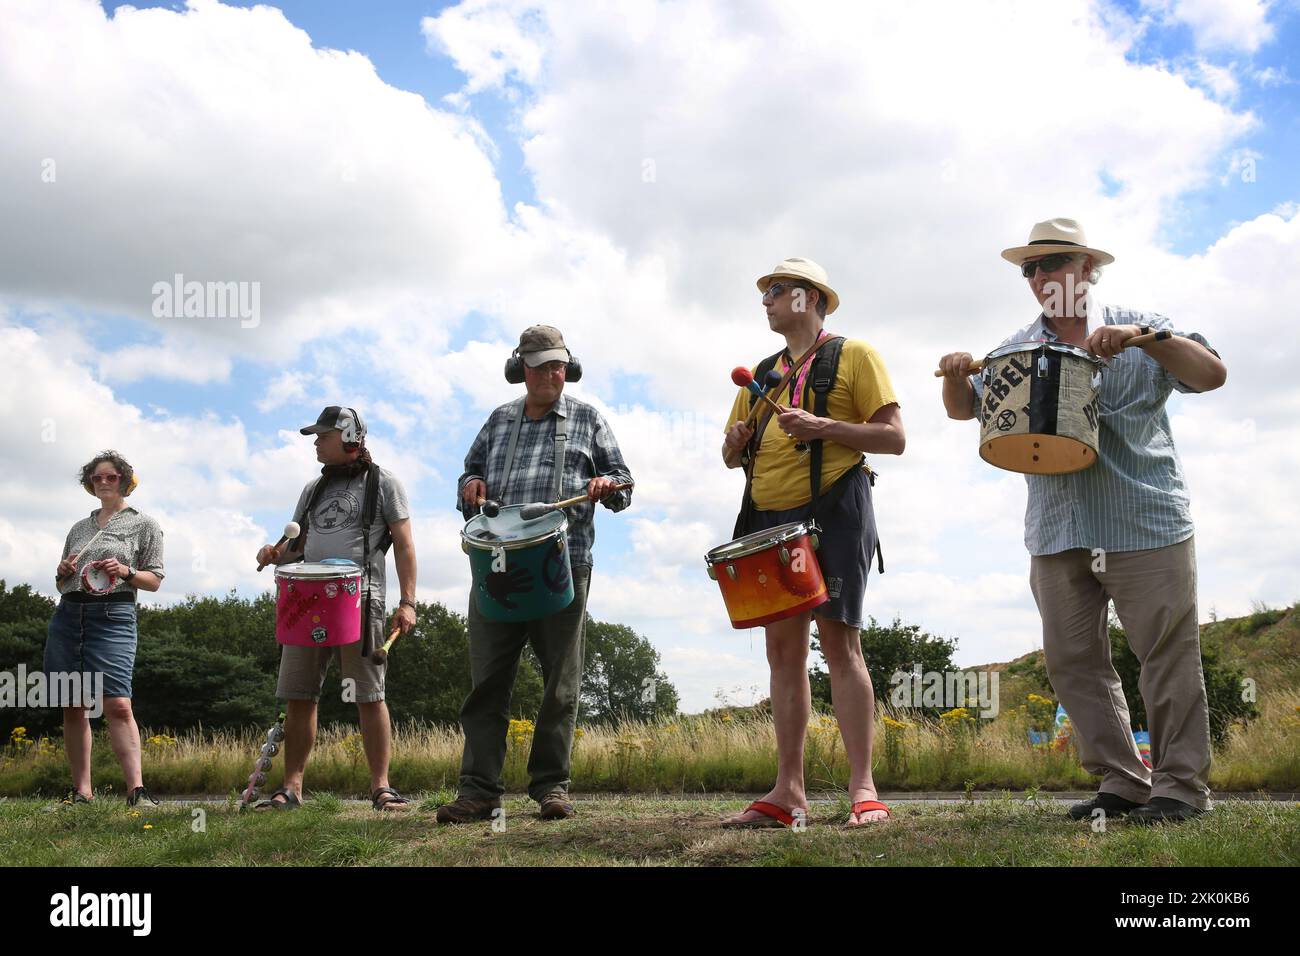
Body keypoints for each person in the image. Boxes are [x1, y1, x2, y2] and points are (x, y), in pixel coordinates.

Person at [937, 218, 1227, 824]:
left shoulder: (1144, 324)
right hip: (1057, 526)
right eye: (1031, 268)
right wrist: (958, 375)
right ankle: (1122, 781)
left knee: (1165, 655)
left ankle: (1180, 789)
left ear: (1088, 268)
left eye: (1055, 262)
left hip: (1144, 520)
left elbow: (1211, 374)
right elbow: (967, 413)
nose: (1042, 275)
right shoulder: (1015, 347)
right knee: (1072, 660)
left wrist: (1145, 339)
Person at [721, 258, 905, 827]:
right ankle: (788, 794)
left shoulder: (856, 355)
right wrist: (734, 442)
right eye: (766, 292)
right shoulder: (762, 373)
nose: (766, 301)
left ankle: (864, 790)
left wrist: (825, 427)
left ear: (809, 297)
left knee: (840, 642)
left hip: (834, 511)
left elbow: (894, 437)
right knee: (782, 651)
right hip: (769, 518)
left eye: (776, 291)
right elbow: (731, 458)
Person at [439, 325, 633, 822]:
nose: (553, 373)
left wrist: (606, 484)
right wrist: (472, 484)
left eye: (559, 365)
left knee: (561, 683)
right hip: (496, 566)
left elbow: (625, 485)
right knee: (487, 682)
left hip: (561, 566)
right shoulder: (499, 420)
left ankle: (551, 787)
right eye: (543, 364)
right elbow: (468, 473)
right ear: (520, 369)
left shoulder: (589, 418)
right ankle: (479, 790)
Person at [254, 406, 418, 811]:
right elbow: (297, 547)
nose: (315, 441)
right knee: (299, 695)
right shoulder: (312, 490)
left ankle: (381, 786)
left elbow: (405, 543)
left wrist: (408, 601)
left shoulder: (384, 482)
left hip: (359, 599)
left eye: (323, 435)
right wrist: (275, 554)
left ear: (349, 437)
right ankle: (292, 788)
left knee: (369, 694)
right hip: (306, 599)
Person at [48, 450, 165, 806]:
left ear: (125, 481)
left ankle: (137, 792)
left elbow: (155, 580)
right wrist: (63, 572)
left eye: (110, 477)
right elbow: (59, 585)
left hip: (113, 616)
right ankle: (82, 792)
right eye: (96, 477)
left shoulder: (144, 524)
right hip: (69, 615)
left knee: (117, 704)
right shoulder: (78, 528)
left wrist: (126, 571)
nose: (102, 482)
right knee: (72, 703)